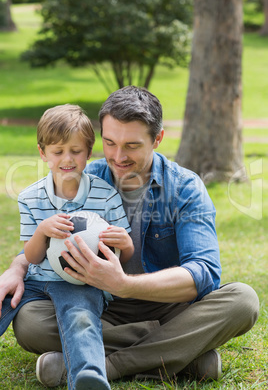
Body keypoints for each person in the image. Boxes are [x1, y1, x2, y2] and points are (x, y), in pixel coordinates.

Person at [0, 87, 259, 387]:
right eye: (109, 143)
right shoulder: (85, 178)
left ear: (157, 139)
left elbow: (203, 274)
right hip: (101, 307)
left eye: (132, 145)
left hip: (167, 307)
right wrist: (17, 267)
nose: (118, 157)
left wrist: (123, 283)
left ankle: (101, 367)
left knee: (243, 301)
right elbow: (53, 237)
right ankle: (182, 354)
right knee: (30, 322)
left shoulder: (185, 187)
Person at [0, 104, 134, 390]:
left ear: (88, 152)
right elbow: (32, 256)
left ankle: (89, 377)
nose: (67, 159)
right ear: (43, 153)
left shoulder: (105, 194)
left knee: (80, 318)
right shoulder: (30, 197)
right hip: (37, 281)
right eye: (58, 151)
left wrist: (125, 242)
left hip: (82, 282)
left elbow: (123, 254)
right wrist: (42, 231)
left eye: (75, 151)